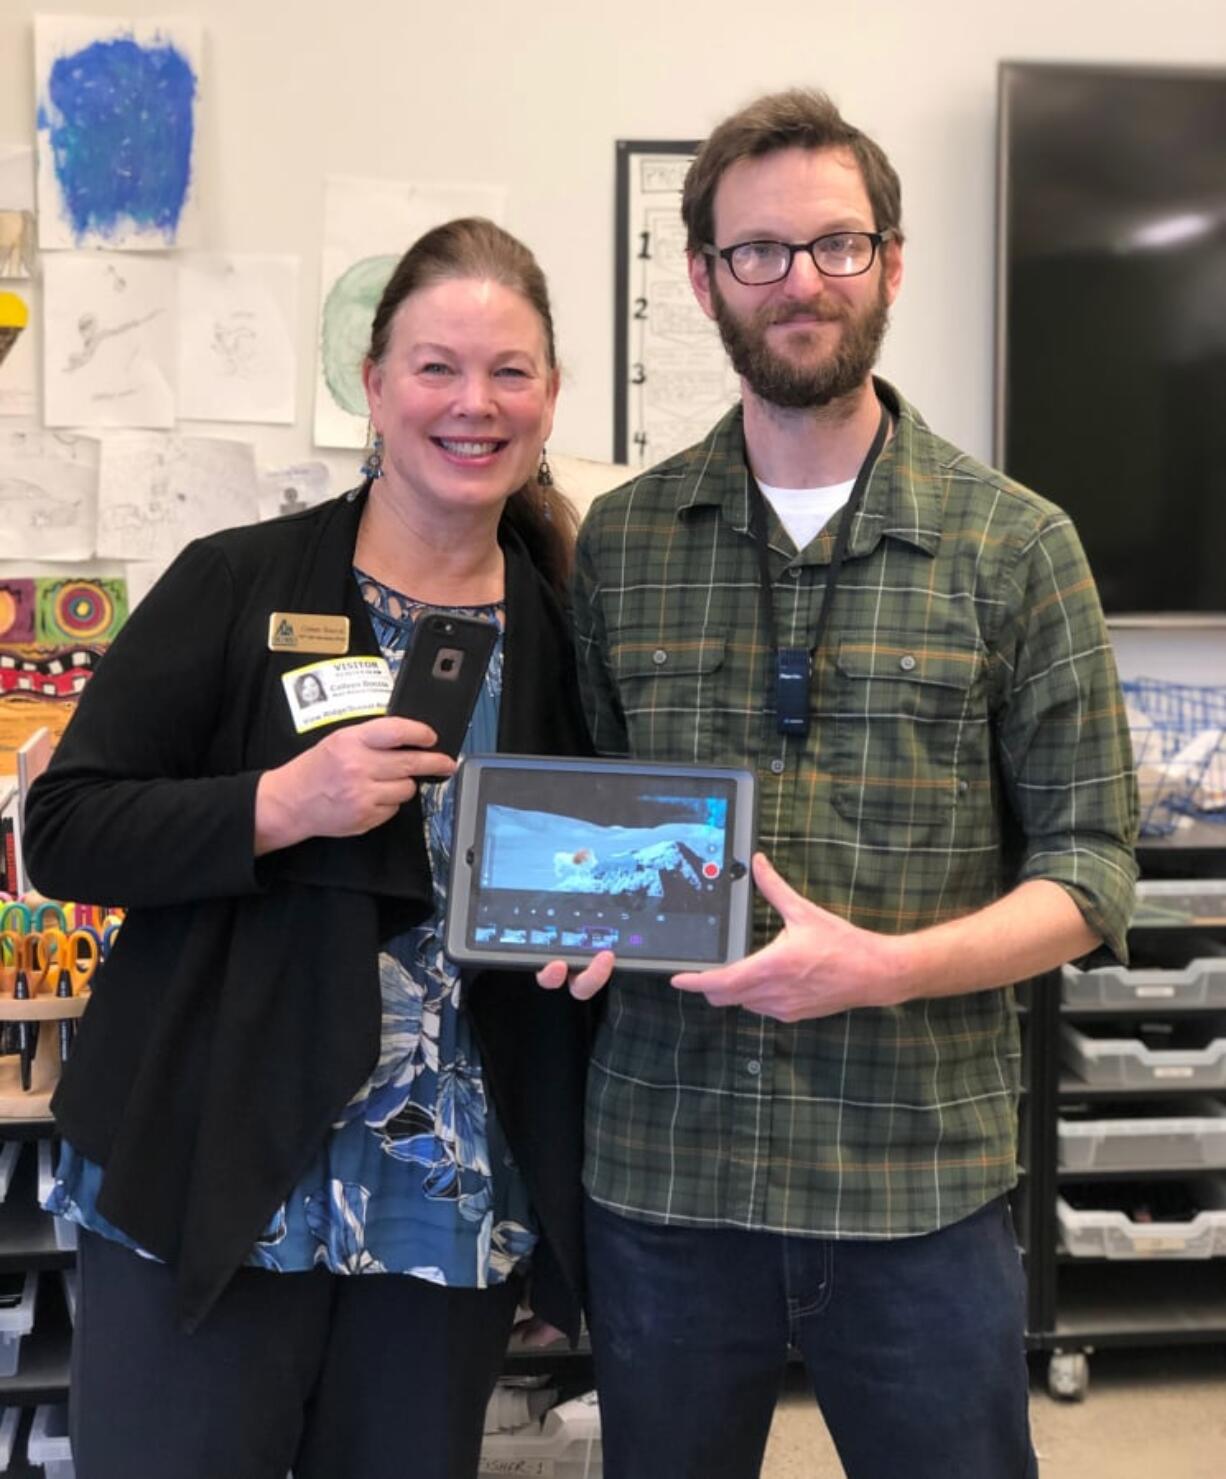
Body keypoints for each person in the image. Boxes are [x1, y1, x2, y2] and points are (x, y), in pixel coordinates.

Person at [544, 90, 1138, 1479]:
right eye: (757, 251)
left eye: (835, 243)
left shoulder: (1015, 544)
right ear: (701, 277)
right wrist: (560, 904)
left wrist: (882, 967)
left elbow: (1092, 866)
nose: (799, 280)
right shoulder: (621, 542)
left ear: (890, 258)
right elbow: (581, 819)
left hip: (915, 1181)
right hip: (665, 1178)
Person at [25, 217, 592, 1479]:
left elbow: (595, 864)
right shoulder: (236, 582)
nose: (472, 403)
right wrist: (276, 806)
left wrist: (606, 938)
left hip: (441, 1196)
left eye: (509, 371)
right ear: (374, 385)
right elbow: (63, 829)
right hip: (212, 1158)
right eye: (436, 366)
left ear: (550, 398)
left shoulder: (567, 628)